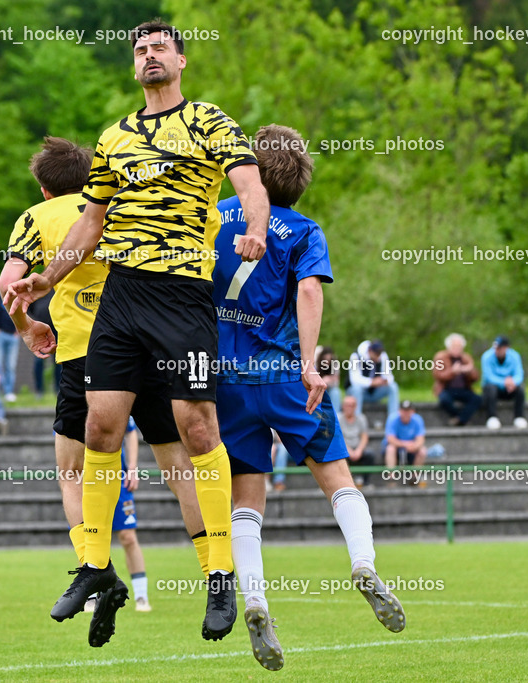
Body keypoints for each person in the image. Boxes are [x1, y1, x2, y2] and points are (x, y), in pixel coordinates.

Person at [9, 22, 270, 644]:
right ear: (134, 67)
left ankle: (218, 575)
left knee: (196, 426)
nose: (149, 57)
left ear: (179, 60)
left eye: (159, 48)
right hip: (122, 296)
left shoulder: (209, 121)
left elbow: (250, 185)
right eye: (140, 50)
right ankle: (95, 566)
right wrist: (45, 279)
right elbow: (90, 221)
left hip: (181, 294)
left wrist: (254, 228)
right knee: (99, 426)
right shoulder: (114, 137)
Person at [0, 135, 212, 648]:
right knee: (179, 464)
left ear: (45, 188)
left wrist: (28, 328)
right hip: (153, 344)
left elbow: (11, 283)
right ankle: (217, 576)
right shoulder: (120, 203)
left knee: (73, 470)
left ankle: (96, 568)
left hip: (84, 355)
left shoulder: (37, 217)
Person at [213, 124, 405, 671]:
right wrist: (308, 361)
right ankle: (363, 564)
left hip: (226, 382)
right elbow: (309, 289)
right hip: (282, 377)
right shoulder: (303, 230)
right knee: (337, 479)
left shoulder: (216, 216)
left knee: (245, 502)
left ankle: (253, 599)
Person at [85, 418, 152, 614]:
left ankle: (141, 595)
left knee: (128, 537)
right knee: (90, 536)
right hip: (88, 481)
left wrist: (132, 467)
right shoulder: (70, 400)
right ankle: (89, 596)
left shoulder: (111, 395)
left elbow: (130, 430)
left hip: (117, 478)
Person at [432, 333, 482, 426]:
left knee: (477, 399)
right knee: (444, 400)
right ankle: (461, 418)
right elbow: (438, 375)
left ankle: (460, 419)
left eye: (459, 347)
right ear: (448, 347)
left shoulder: (466, 358)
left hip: (464, 389)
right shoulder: (440, 357)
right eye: (455, 346)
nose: (457, 349)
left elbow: (476, 377)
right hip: (447, 389)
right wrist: (452, 372)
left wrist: (469, 372)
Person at [481, 335, 528, 429]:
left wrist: (513, 382)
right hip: (493, 388)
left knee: (520, 390)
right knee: (491, 388)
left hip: (510, 388)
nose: (497, 350)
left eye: (499, 348)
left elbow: (519, 374)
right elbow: (488, 376)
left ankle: (519, 417)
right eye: (496, 348)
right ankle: (492, 417)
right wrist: (504, 382)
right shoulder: (487, 356)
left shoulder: (514, 356)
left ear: (506, 348)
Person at [348, 339, 400, 419]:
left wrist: (385, 380)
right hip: (359, 393)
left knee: (393, 386)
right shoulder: (356, 356)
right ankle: (357, 420)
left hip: (375, 392)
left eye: (379, 354)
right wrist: (372, 382)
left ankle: (393, 419)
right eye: (376, 354)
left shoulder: (382, 356)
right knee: (356, 389)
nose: (378, 357)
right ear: (369, 350)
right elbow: (354, 380)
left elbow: (389, 375)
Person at [382, 400, 427, 478]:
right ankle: (391, 477)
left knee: (423, 451)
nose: (406, 413)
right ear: (399, 411)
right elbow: (390, 439)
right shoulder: (392, 418)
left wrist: (415, 446)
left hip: (411, 449)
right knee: (390, 449)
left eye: (408, 411)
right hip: (396, 448)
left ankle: (415, 477)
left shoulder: (418, 419)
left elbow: (421, 439)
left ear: (412, 411)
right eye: (404, 411)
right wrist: (405, 445)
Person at [339, 395, 375, 487]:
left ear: (356, 407)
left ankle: (366, 482)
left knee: (370, 454)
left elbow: (364, 437)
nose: (349, 408)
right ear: (343, 406)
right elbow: (338, 438)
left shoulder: (361, 418)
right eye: (347, 405)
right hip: (343, 448)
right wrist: (349, 451)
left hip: (357, 447)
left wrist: (359, 450)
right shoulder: (338, 419)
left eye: (352, 405)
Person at [316, 346, 342, 413]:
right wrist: (322, 380)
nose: (327, 362)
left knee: (336, 392)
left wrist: (328, 381)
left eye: (329, 359)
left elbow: (336, 382)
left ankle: (336, 414)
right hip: (317, 388)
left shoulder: (334, 364)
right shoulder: (315, 364)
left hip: (330, 388)